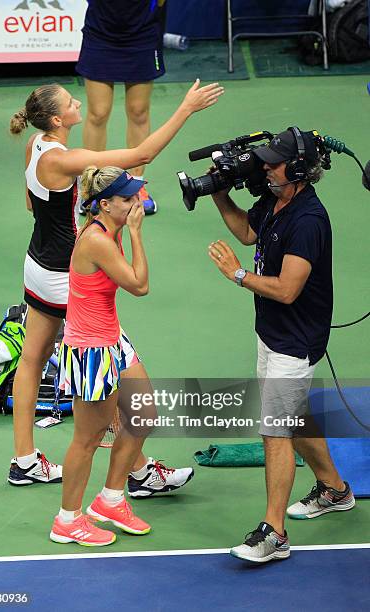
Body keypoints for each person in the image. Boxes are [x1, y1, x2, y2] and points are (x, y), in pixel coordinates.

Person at [8, 79, 224, 492]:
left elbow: (31, 204)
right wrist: (186, 108)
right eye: (71, 103)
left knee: (33, 357)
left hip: (37, 264)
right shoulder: (64, 159)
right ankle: (140, 471)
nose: (78, 104)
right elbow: (141, 155)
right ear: (58, 119)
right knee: (116, 367)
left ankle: (24, 460)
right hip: (66, 279)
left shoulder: (35, 145)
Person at [208, 127, 355, 564]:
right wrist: (217, 192)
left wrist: (237, 275)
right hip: (271, 332)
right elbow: (248, 234)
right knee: (293, 413)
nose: (266, 167)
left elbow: (289, 289)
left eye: (274, 162)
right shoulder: (275, 198)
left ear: (298, 169)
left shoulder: (309, 219)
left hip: (296, 338)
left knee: (275, 430)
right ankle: (334, 488)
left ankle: (275, 533)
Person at [51, 165, 157, 545]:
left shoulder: (107, 229)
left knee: (143, 412)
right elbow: (139, 285)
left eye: (135, 197)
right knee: (88, 437)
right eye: (127, 199)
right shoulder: (99, 240)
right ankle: (67, 520)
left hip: (113, 339)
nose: (135, 203)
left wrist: (127, 228)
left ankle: (110, 499)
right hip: (91, 350)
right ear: (104, 204)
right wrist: (137, 232)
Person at [77, 0, 168, 215]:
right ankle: (92, 186)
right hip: (100, 33)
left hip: (142, 34)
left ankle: (136, 186)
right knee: (98, 113)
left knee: (138, 111)